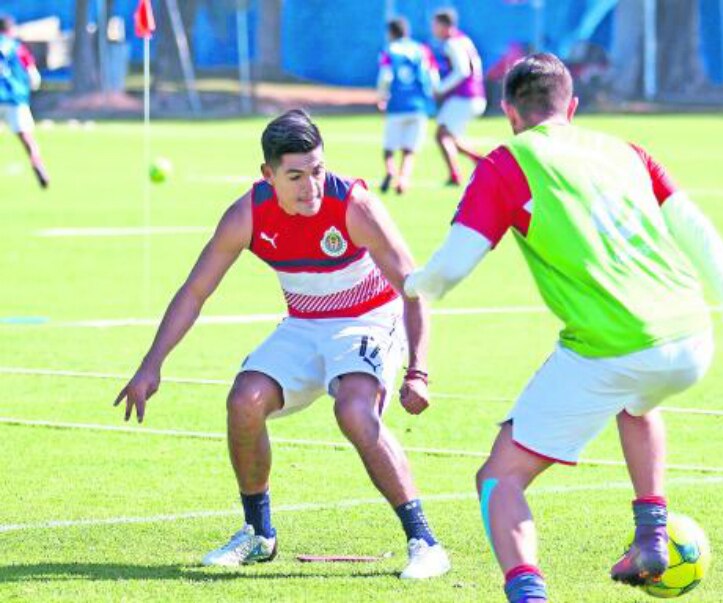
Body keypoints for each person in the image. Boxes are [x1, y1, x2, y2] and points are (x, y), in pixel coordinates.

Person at [404, 54, 723, 603]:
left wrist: (412, 285)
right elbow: (702, 235)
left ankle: (529, 594)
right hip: (690, 337)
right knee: (638, 402)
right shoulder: (628, 152)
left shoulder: (507, 162)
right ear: (571, 107)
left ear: (508, 112)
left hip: (611, 347)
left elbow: (450, 269)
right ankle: (651, 536)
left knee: (499, 479)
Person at [114, 110, 451, 578]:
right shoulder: (247, 214)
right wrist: (152, 364)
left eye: (317, 170)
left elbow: (414, 290)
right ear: (268, 175)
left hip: (369, 319)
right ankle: (259, 534)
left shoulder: (354, 205)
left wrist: (419, 371)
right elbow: (195, 291)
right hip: (304, 323)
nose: (311, 187)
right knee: (244, 401)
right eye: (295, 176)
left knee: (354, 411)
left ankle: (425, 542)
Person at [377, 16, 438, 195]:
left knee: (389, 147)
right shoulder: (421, 49)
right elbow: (432, 75)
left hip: (397, 104)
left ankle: (390, 170)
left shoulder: (389, 50)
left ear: (391, 33)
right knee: (410, 149)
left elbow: (386, 76)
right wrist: (433, 94)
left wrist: (382, 96)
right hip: (418, 105)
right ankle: (403, 179)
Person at [431, 8, 486, 186]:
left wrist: (440, 88)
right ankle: (479, 162)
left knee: (442, 135)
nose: (433, 29)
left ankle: (458, 173)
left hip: (464, 97)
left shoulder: (452, 43)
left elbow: (463, 71)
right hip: (475, 95)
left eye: (435, 25)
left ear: (444, 25)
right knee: (450, 136)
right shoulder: (464, 39)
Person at [0, 15, 49, 189]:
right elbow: (33, 76)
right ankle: (38, 165)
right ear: (10, 29)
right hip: (15, 97)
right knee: (26, 136)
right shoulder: (17, 47)